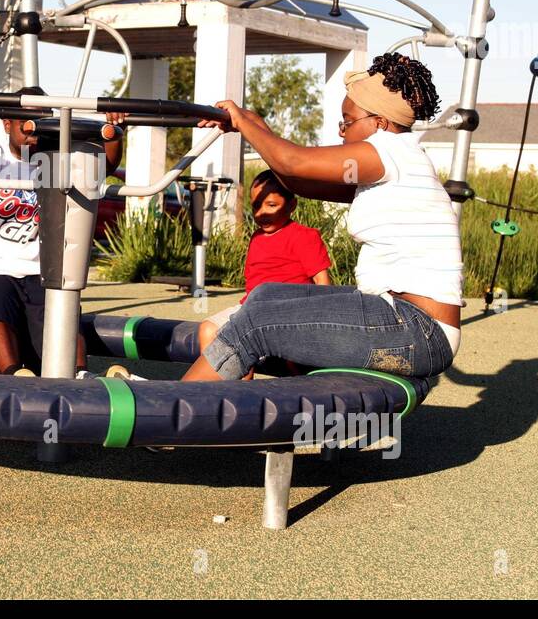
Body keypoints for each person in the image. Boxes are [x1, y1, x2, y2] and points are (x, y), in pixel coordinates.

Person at [181, 52, 461, 383]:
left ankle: (168, 407)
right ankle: (227, 401)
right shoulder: (396, 163)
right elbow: (298, 181)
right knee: (266, 296)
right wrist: (254, 124)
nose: (342, 132)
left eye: (347, 121)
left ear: (380, 123)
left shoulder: (388, 151)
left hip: (416, 330)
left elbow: (293, 162)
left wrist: (243, 124)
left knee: (256, 321)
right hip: (404, 322)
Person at [0, 96, 122, 377]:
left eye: (41, 121)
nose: (33, 128)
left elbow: (104, 165)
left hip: (38, 271)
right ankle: (13, 375)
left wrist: (114, 131)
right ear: (7, 123)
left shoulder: (54, 160)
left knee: (59, 303)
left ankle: (79, 374)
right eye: (26, 121)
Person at [196, 169, 331, 363]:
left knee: (247, 342)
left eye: (271, 205)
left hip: (288, 311)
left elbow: (322, 280)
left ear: (292, 205)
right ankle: (217, 381)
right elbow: (252, 282)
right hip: (251, 309)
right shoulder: (256, 238)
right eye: (256, 205)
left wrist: (321, 319)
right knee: (207, 329)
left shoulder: (304, 236)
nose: (261, 213)